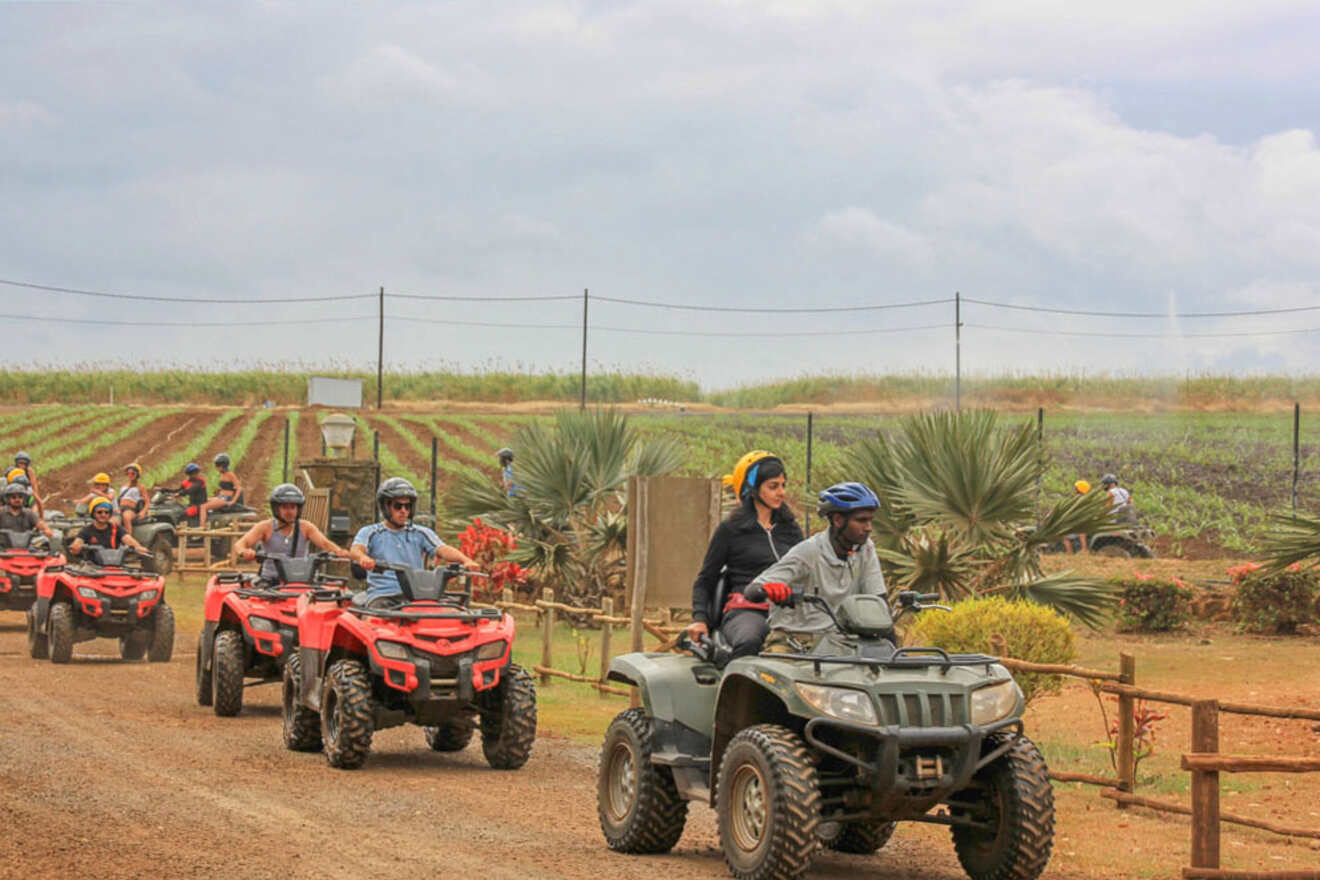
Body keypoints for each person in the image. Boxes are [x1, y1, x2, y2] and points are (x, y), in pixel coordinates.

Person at [685, 450, 804, 660]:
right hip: (747, 611)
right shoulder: (731, 529)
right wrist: (700, 619)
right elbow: (705, 580)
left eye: (783, 485)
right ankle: (736, 690)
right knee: (750, 639)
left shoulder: (791, 530)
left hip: (788, 611)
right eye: (773, 486)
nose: (782, 492)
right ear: (753, 488)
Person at [747, 481, 888, 654]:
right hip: (794, 640)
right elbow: (752, 590)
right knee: (779, 674)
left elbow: (879, 600)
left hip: (840, 643)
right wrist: (770, 589)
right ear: (837, 520)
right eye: (861, 520)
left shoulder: (866, 549)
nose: (868, 528)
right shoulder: (809, 551)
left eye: (870, 520)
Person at [348, 477, 479, 609]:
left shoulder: (420, 533)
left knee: (453, 615)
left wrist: (465, 560)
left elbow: (442, 549)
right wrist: (363, 558)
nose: (403, 510)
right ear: (385, 507)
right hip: (384, 596)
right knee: (375, 623)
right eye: (398, 506)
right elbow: (356, 550)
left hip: (417, 595)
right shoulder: (370, 532)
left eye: (408, 506)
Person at [235, 483, 351, 581]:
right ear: (276, 509)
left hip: (301, 581)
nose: (289, 511)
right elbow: (240, 543)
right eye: (285, 507)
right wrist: (245, 551)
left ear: (298, 509)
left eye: (293, 507)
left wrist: (339, 551)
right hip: (271, 582)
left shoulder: (306, 527)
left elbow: (325, 544)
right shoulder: (265, 527)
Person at [69, 497, 146, 557]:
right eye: (99, 512)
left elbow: (128, 539)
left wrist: (138, 547)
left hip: (114, 566)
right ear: (93, 513)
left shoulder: (116, 528)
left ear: (110, 514)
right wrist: (75, 547)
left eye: (106, 512)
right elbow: (78, 541)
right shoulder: (86, 530)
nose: (103, 515)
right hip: (92, 569)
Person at [200, 453, 240, 528]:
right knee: (203, 500)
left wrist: (233, 501)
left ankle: (202, 528)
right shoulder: (222, 474)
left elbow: (238, 488)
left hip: (225, 498)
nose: (216, 468)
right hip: (220, 496)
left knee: (203, 507)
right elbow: (224, 487)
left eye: (218, 466)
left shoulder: (230, 474)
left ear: (223, 466)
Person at [117, 462, 150, 533]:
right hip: (121, 508)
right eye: (128, 473)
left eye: (133, 473)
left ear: (137, 474)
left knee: (126, 517)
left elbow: (147, 502)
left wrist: (143, 512)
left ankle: (128, 539)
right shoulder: (124, 485)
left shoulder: (141, 487)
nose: (130, 475)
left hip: (131, 509)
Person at [1066, 479, 1091, 554]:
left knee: (1063, 536)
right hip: (1082, 522)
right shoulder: (1087, 499)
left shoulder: (1079, 499)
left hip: (1079, 523)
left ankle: (1069, 553)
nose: (1074, 489)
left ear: (1080, 489)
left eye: (1076, 488)